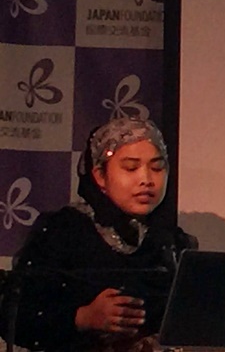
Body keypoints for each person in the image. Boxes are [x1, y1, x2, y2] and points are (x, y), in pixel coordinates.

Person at [0, 118, 196, 352]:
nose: (146, 179)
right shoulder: (65, 231)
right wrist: (83, 317)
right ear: (100, 176)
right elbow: (16, 317)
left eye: (157, 167)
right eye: (131, 168)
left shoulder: (171, 241)